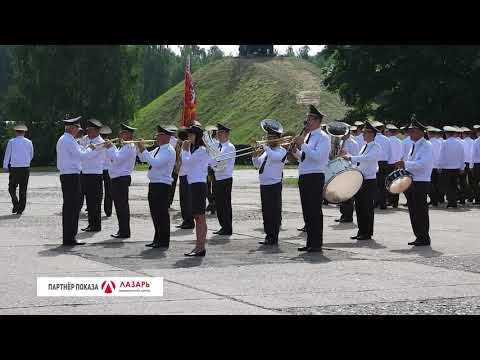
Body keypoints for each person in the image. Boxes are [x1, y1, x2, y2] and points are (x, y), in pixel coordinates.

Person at [292, 105, 330, 253]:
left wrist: (303, 145)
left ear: (317, 120)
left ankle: (316, 243)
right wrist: (296, 152)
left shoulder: (323, 137)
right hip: (305, 175)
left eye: (310, 118)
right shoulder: (309, 136)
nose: (307, 121)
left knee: (314, 211)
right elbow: (305, 158)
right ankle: (310, 242)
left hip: (315, 176)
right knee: (307, 211)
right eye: (307, 118)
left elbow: (318, 157)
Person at [56, 115, 99, 246]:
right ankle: (70, 238)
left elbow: (80, 151)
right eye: (77, 128)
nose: (78, 131)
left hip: (69, 175)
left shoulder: (67, 139)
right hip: (71, 176)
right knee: (72, 208)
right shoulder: (68, 140)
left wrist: (88, 149)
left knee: (71, 207)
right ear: (72, 128)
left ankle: (69, 237)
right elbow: (82, 156)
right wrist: (93, 149)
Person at [395, 117, 433, 246]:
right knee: (413, 210)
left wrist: (405, 163)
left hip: (421, 182)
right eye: (410, 131)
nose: (410, 133)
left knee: (420, 211)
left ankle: (424, 237)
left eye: (413, 131)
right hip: (412, 181)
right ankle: (419, 236)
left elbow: (422, 164)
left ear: (421, 132)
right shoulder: (414, 144)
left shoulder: (426, 145)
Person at [137, 126, 176, 249]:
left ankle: (163, 241)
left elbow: (155, 163)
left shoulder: (169, 150)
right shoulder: (160, 149)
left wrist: (143, 149)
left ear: (166, 136)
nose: (157, 137)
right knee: (155, 213)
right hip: (154, 184)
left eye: (159, 135)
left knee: (161, 214)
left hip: (162, 185)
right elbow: (144, 159)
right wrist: (139, 148)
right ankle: (157, 238)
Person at [341, 121, 380, 240]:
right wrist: (347, 158)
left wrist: (351, 157)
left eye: (365, 133)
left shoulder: (376, 146)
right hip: (360, 179)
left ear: (372, 134)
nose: (363, 135)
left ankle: (367, 232)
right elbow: (360, 162)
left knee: (367, 207)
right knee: (359, 207)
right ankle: (361, 231)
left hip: (369, 180)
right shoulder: (364, 146)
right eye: (363, 133)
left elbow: (368, 158)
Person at [252, 120, 287, 246]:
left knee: (274, 212)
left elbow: (275, 158)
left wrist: (266, 146)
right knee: (266, 212)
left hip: (274, 185)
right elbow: (257, 165)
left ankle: (274, 237)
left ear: (278, 139)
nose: (268, 139)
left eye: (271, 138)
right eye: (268, 137)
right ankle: (268, 235)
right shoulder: (267, 151)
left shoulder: (281, 151)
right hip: (264, 185)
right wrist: (255, 156)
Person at [103, 124, 138, 239]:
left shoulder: (129, 146)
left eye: (123, 133)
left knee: (121, 206)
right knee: (119, 206)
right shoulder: (124, 146)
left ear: (128, 134)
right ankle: (122, 229)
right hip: (118, 178)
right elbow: (114, 159)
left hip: (121, 179)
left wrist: (110, 147)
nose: (120, 135)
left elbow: (117, 158)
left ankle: (124, 231)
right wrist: (110, 149)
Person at [182, 125, 210, 256]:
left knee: (200, 217)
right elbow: (188, 168)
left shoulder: (201, 150)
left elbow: (186, 163)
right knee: (197, 217)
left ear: (197, 136)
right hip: (194, 184)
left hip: (199, 185)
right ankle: (199, 246)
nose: (188, 137)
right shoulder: (196, 150)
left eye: (191, 135)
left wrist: (184, 150)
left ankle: (200, 247)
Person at [79, 119, 106, 232]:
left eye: (90, 130)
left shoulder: (100, 142)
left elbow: (86, 156)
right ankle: (91, 224)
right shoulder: (85, 139)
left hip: (94, 174)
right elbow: (79, 150)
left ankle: (96, 225)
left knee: (94, 201)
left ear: (97, 131)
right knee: (89, 202)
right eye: (88, 130)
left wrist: (83, 150)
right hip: (84, 173)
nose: (88, 133)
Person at [2, 124, 34, 215]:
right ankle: (20, 209)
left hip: (14, 168)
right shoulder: (29, 142)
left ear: (16, 132)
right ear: (24, 132)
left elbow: (7, 154)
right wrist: (26, 162)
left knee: (11, 188)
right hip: (25, 168)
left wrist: (5, 166)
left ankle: (16, 204)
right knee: (23, 189)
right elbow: (31, 155)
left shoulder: (11, 142)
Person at [212, 123, 235, 236]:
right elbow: (213, 161)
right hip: (218, 178)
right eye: (218, 133)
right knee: (219, 204)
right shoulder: (218, 146)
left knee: (225, 204)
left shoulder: (229, 147)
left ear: (226, 134)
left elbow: (219, 162)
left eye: (220, 133)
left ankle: (227, 227)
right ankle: (223, 226)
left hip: (225, 178)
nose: (218, 135)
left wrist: (212, 163)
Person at [335, 128, 359, 223]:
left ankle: (348, 216)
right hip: (341, 168)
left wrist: (346, 154)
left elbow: (355, 158)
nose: (342, 135)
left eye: (344, 133)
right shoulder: (341, 142)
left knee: (348, 195)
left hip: (349, 170)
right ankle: (343, 214)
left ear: (348, 133)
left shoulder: (354, 143)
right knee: (341, 194)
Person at [438, 126, 465, 208]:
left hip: (446, 168)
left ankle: (451, 201)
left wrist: (440, 166)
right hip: (456, 168)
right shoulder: (460, 143)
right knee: (454, 185)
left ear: (446, 134)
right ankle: (453, 201)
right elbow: (462, 156)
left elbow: (441, 156)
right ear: (453, 134)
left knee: (447, 186)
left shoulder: (444, 143)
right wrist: (462, 167)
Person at [175, 128, 195, 229]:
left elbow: (183, 160)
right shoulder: (182, 145)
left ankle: (190, 221)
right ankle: (185, 220)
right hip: (182, 175)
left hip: (187, 175)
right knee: (183, 200)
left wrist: (180, 148)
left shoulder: (187, 145)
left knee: (187, 200)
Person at [372, 121, 391, 210]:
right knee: (383, 184)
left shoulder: (373, 139)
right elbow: (389, 153)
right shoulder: (387, 139)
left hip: (375, 162)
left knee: (375, 184)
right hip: (384, 162)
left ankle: (376, 202)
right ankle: (383, 204)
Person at [386, 124, 403, 208]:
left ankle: (389, 200)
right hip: (397, 163)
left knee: (388, 182)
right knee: (396, 182)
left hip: (389, 164)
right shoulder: (400, 141)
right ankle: (395, 202)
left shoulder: (387, 140)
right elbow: (401, 153)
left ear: (389, 132)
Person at [427, 126, 444, 206]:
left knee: (431, 184)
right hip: (438, 166)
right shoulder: (440, 143)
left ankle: (433, 200)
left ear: (428, 134)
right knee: (437, 184)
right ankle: (438, 199)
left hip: (430, 166)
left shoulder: (428, 143)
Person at [99, 125, 113, 217]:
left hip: (99, 170)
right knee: (109, 191)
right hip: (108, 170)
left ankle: (96, 210)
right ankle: (108, 211)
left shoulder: (98, 144)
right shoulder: (111, 145)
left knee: (99, 192)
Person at [205, 125, 218, 215]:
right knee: (213, 187)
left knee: (207, 187)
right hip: (212, 167)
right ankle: (213, 204)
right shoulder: (216, 142)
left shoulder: (209, 142)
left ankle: (212, 203)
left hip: (209, 167)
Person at [460, 127, 474, 203]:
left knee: (463, 182)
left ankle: (463, 198)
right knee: (472, 181)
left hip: (464, 163)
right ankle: (471, 197)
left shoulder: (461, 142)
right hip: (472, 163)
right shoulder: (473, 141)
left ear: (463, 134)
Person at [167, 125, 180, 208]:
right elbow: (178, 154)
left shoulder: (165, 140)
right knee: (173, 184)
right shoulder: (177, 141)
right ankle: (169, 201)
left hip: (165, 165)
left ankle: (165, 201)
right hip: (174, 165)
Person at [471, 125, 480, 205]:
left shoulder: (476, 141)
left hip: (478, 165)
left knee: (476, 183)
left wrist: (471, 166)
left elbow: (473, 154)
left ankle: (477, 200)